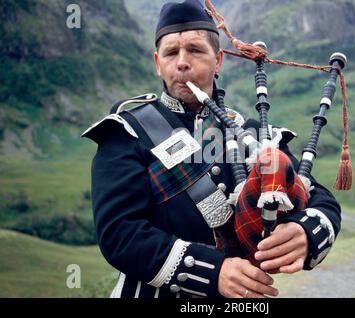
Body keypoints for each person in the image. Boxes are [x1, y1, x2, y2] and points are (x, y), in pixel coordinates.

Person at [82, 0, 341, 299]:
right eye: (170, 52)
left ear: (218, 60)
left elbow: (319, 197)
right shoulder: (127, 132)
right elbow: (119, 234)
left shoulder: (257, 133)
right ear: (157, 63)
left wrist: (305, 232)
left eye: (194, 49)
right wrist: (213, 272)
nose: (181, 62)